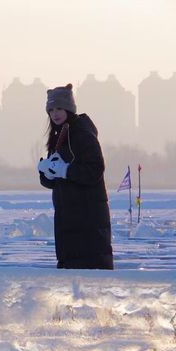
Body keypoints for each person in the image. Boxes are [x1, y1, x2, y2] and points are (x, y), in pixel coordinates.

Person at [37, 84, 113, 270]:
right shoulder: (58, 137)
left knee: (89, 272)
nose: (55, 114)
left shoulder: (81, 133)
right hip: (67, 218)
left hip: (87, 218)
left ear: (69, 109)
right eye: (51, 110)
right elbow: (57, 182)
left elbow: (95, 170)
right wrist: (45, 172)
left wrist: (65, 170)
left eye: (60, 108)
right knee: (70, 271)